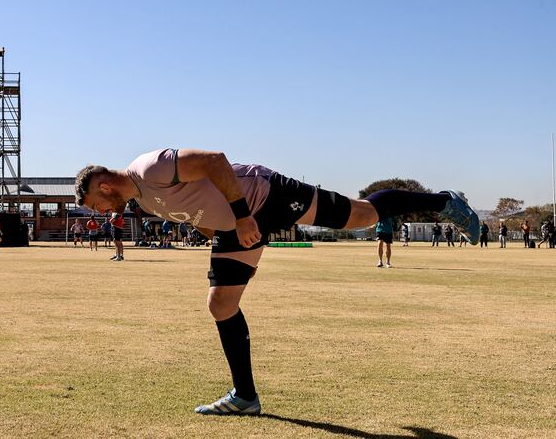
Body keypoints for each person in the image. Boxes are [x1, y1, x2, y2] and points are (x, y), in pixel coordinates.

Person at [75, 148, 480, 415]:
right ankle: (245, 397)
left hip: (264, 196)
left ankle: (445, 201)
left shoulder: (150, 167)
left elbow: (216, 162)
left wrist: (243, 216)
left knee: (363, 216)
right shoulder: (144, 199)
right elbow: (197, 208)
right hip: (238, 224)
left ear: (104, 185)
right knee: (220, 304)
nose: (103, 209)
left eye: (97, 202)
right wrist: (218, 231)